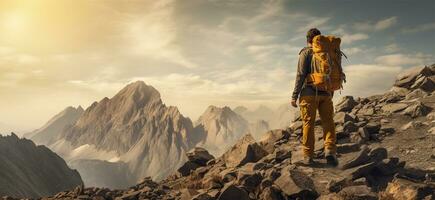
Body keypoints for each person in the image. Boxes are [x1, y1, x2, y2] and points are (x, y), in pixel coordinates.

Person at [291, 28, 339, 166]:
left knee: (308, 124)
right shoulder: (328, 52)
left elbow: (300, 74)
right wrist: (330, 92)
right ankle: (330, 150)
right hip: (326, 94)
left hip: (308, 95)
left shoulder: (305, 52)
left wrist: (294, 96)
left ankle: (308, 156)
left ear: (307, 40)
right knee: (328, 122)